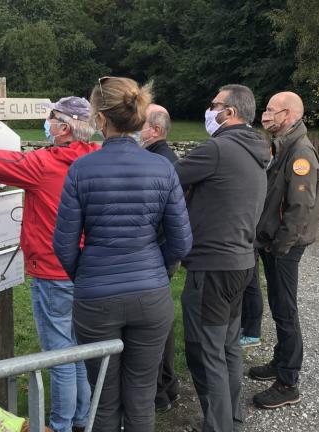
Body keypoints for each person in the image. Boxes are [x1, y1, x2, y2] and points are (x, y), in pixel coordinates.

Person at [53, 76, 192, 432]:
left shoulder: (82, 169)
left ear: (100, 119)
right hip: (151, 295)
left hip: (96, 296)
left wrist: (86, 275)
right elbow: (181, 242)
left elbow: (64, 246)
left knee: (103, 398)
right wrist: (155, 269)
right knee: (142, 397)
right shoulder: (162, 168)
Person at [0, 97, 99, 432]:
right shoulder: (96, 157)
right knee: (78, 348)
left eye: (51, 118)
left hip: (52, 272)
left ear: (64, 128)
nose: (46, 123)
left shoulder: (45, 164)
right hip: (88, 270)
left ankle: (61, 425)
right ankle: (82, 417)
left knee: (59, 354)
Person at [174, 84, 271, 432]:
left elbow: (167, 175)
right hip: (242, 264)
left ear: (229, 112)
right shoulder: (256, 149)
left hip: (212, 267)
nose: (208, 109)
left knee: (206, 352)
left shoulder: (218, 149)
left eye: (213, 104)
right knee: (229, 348)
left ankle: (218, 426)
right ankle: (231, 418)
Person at [248, 91, 319, 410]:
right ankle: (280, 362)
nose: (266, 115)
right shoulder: (284, 145)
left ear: (288, 114)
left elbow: (300, 207)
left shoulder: (301, 152)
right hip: (274, 242)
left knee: (285, 309)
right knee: (279, 305)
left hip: (284, 247)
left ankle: (288, 381)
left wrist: (280, 245)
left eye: (271, 110)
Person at [139, 103, 180, 414]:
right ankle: (168, 384)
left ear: (155, 129)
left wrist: (155, 256)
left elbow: (170, 222)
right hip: (161, 256)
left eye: (141, 123)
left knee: (152, 328)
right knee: (162, 324)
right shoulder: (164, 158)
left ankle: (158, 393)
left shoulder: (158, 163)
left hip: (155, 257)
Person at [239, 253, 262, 348]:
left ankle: (253, 334)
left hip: (248, 246)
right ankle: (244, 327)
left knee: (252, 286)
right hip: (249, 246)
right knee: (248, 285)